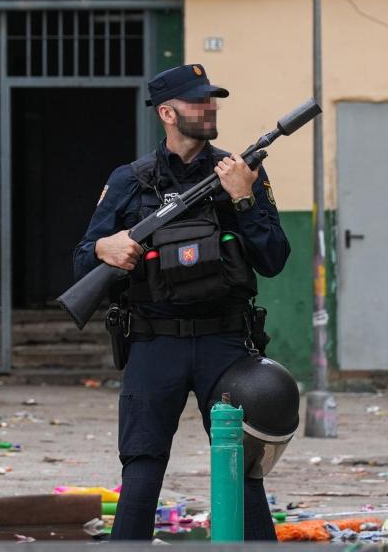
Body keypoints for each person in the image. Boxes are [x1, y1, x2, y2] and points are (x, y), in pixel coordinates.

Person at [73, 64, 291, 541]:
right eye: (198, 100)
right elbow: (82, 262)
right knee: (143, 468)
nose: (210, 107)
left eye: (212, 99)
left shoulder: (241, 171)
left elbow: (274, 259)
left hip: (226, 341)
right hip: (154, 343)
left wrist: (245, 200)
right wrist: (103, 249)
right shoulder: (131, 180)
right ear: (168, 112)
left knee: (243, 467)